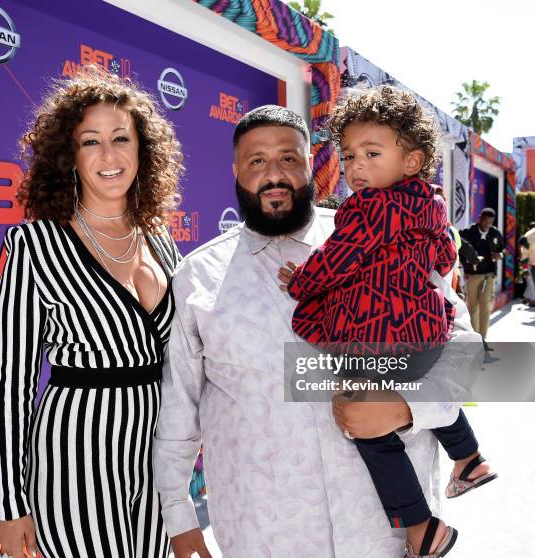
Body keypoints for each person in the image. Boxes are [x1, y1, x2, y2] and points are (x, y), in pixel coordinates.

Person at [153, 105, 482, 557]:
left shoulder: (390, 233)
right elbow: (178, 405)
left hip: (385, 537)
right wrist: (180, 517)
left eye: (289, 158)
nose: (274, 174)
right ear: (236, 170)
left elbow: (465, 348)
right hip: (264, 534)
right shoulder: (198, 277)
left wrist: (406, 407)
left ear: (313, 164)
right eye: (256, 161)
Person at [281, 86, 496, 557]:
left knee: (368, 427)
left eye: (371, 154)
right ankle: (469, 457)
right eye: (349, 155)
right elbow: (443, 258)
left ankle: (421, 527)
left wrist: (301, 283)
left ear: (412, 161)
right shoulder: (431, 204)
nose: (356, 167)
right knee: (418, 388)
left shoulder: (368, 208)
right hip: (425, 335)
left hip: (381, 336)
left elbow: (338, 259)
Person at [0, 67, 183, 558]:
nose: (108, 155)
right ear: (69, 156)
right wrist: (10, 505)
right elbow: (13, 385)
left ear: (143, 149)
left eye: (122, 138)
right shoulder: (34, 244)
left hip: (157, 461)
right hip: (75, 464)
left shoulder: (162, 241)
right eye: (90, 141)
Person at [459, 208, 505, 349]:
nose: (487, 224)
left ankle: (483, 339)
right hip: (472, 275)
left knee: (485, 306)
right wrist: (465, 267)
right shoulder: (468, 232)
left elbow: (501, 251)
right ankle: (474, 340)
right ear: (480, 218)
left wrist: (499, 255)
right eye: (485, 221)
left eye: (490, 222)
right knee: (473, 307)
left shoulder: (495, 233)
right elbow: (460, 250)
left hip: (488, 275)